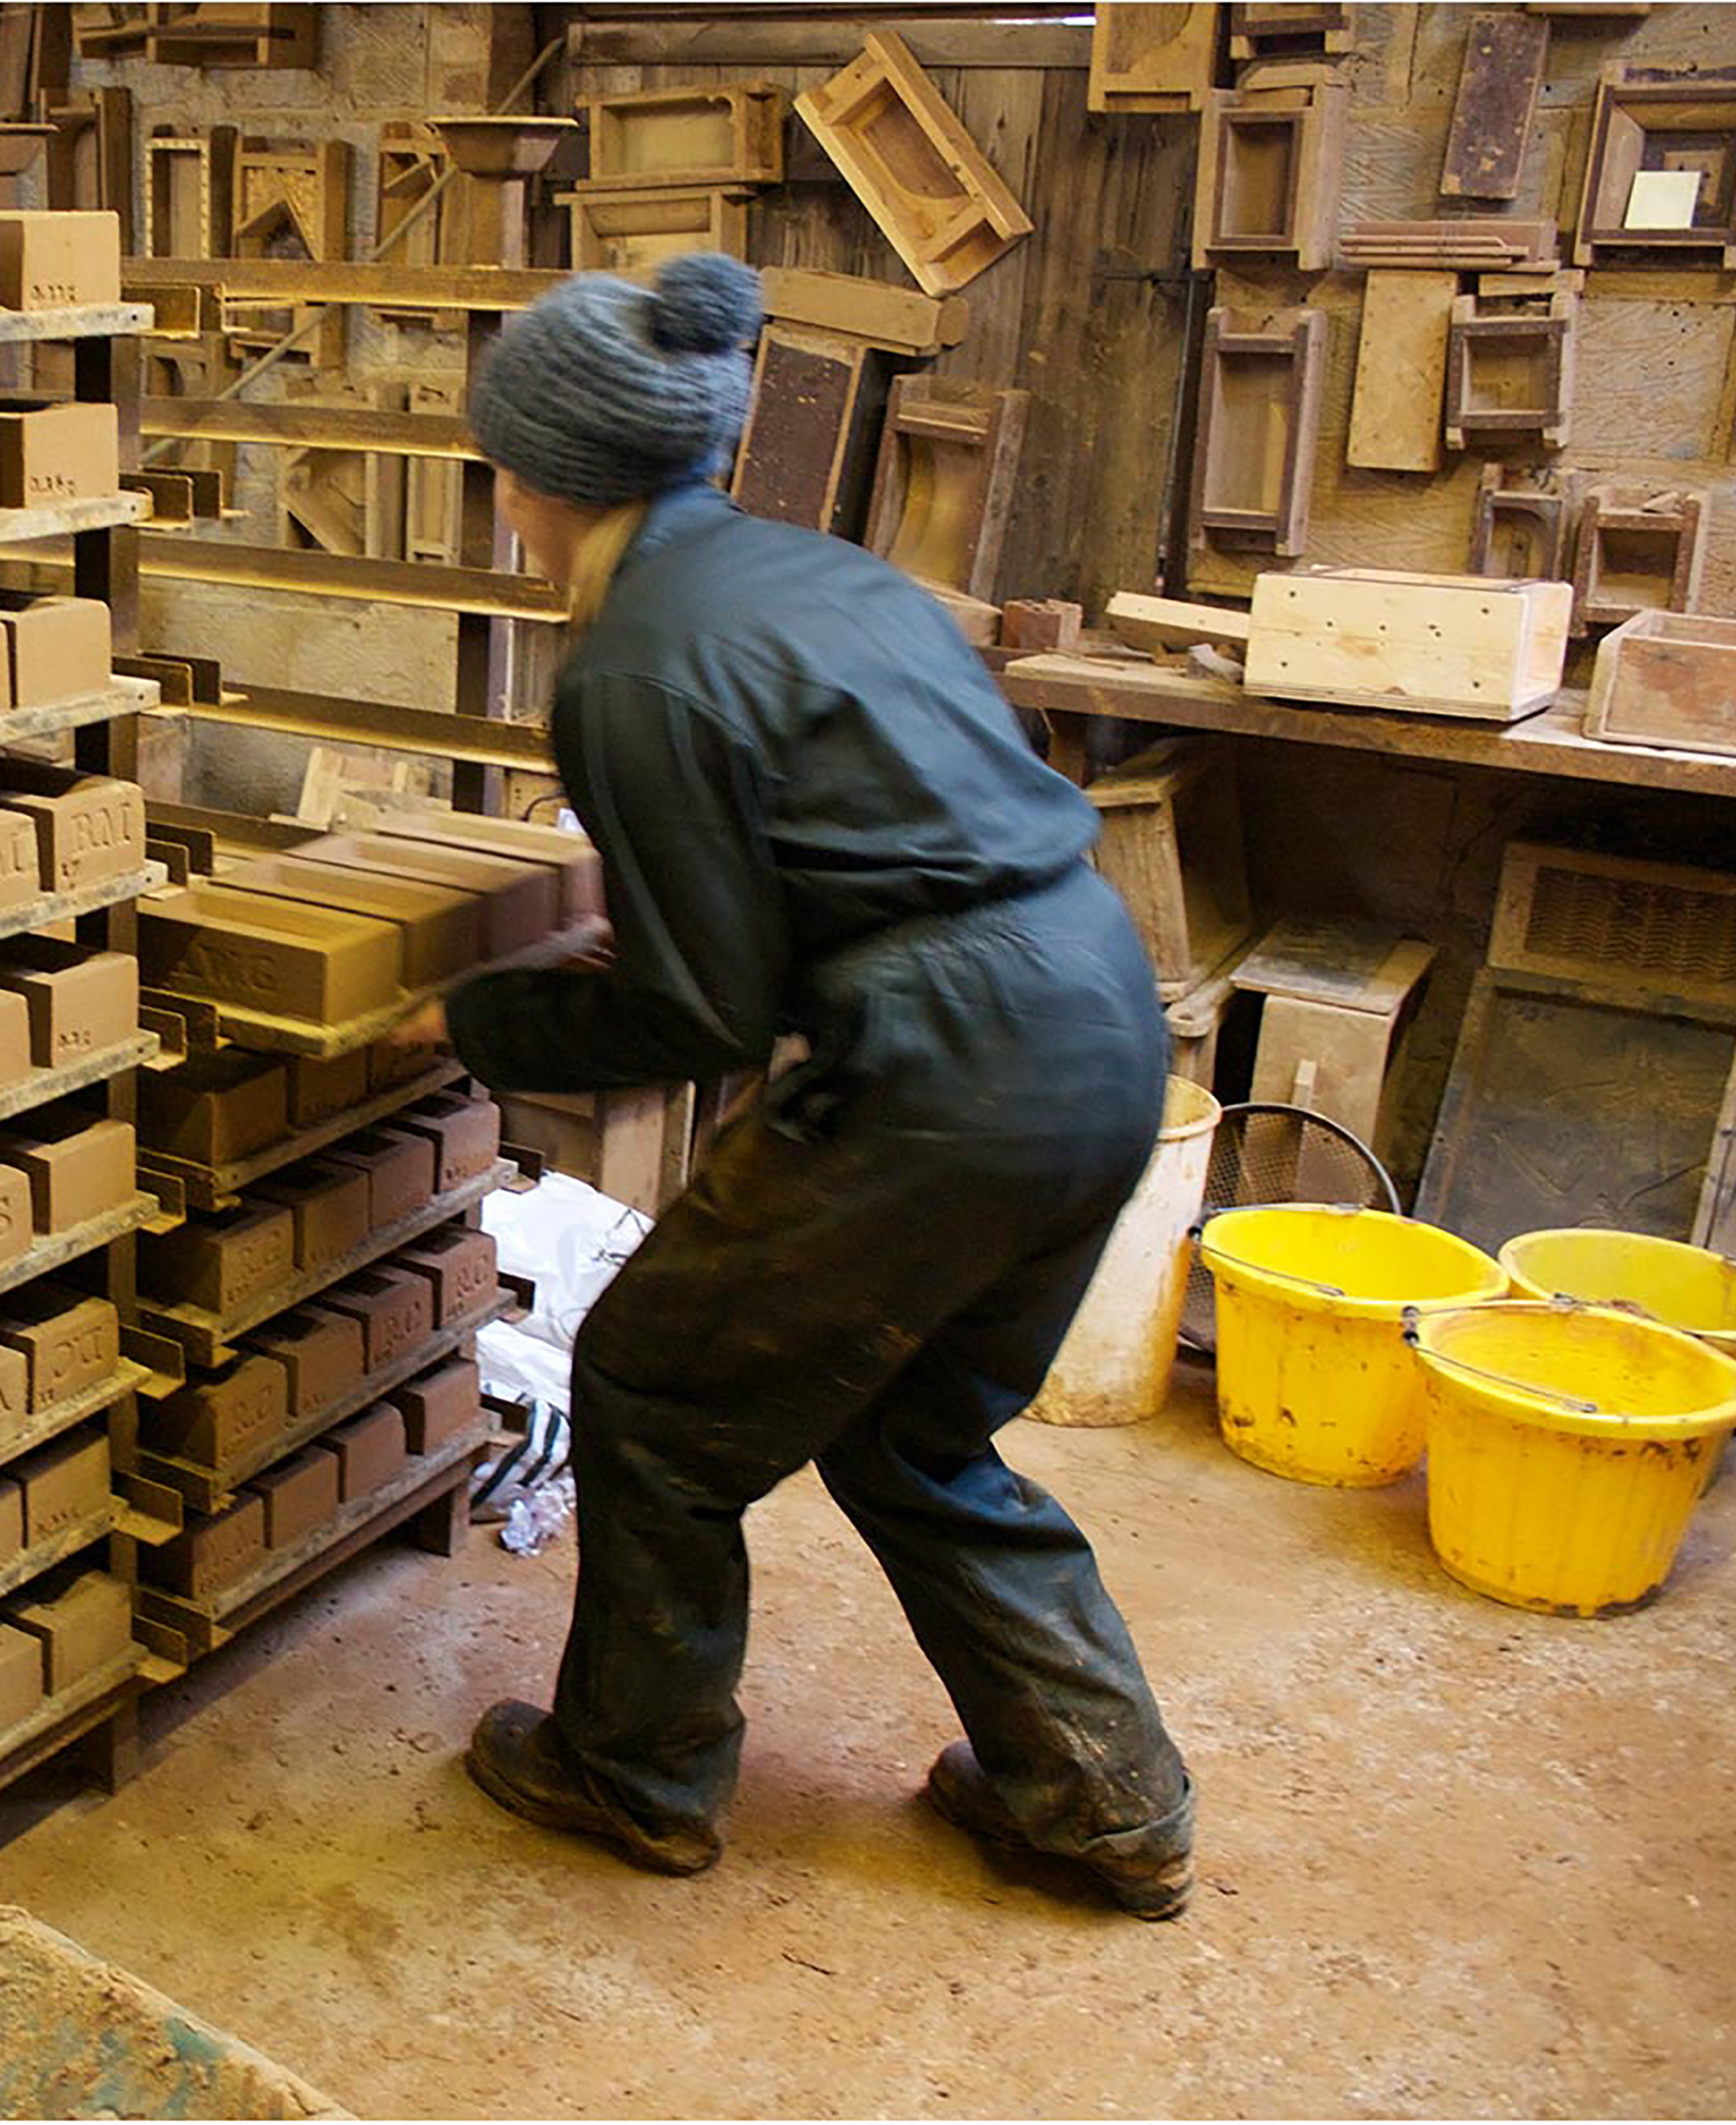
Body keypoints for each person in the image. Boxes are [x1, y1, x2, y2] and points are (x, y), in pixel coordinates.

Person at [393, 251, 1194, 1918]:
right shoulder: (828, 579)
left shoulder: (625, 663)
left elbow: (695, 1009)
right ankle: (1099, 1799)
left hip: (941, 1069)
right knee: (916, 1434)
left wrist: (473, 1026)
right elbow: (842, 847)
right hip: (1097, 1017)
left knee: (658, 1400)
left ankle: (631, 1767)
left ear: (526, 474)